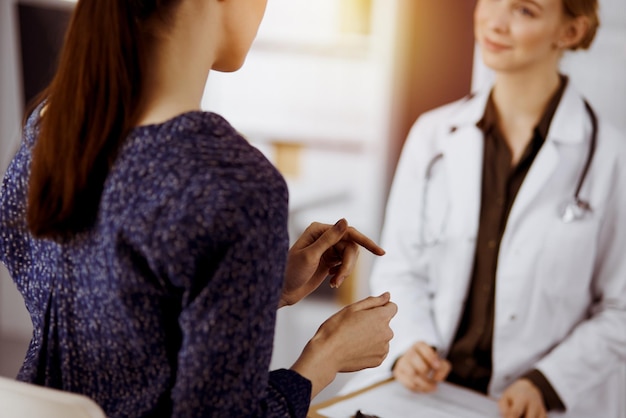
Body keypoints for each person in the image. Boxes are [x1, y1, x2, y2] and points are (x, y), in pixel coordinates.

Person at [0, 0, 398, 417]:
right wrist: (326, 356)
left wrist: (263, 287)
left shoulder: (47, 133)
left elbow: (118, 316)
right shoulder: (232, 183)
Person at [343, 0, 626, 417]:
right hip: (427, 393)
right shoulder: (434, 135)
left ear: (569, 33)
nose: (494, 21)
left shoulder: (609, 157)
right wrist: (409, 346)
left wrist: (547, 382)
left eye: (524, 10)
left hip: (530, 404)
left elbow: (620, 308)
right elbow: (399, 267)